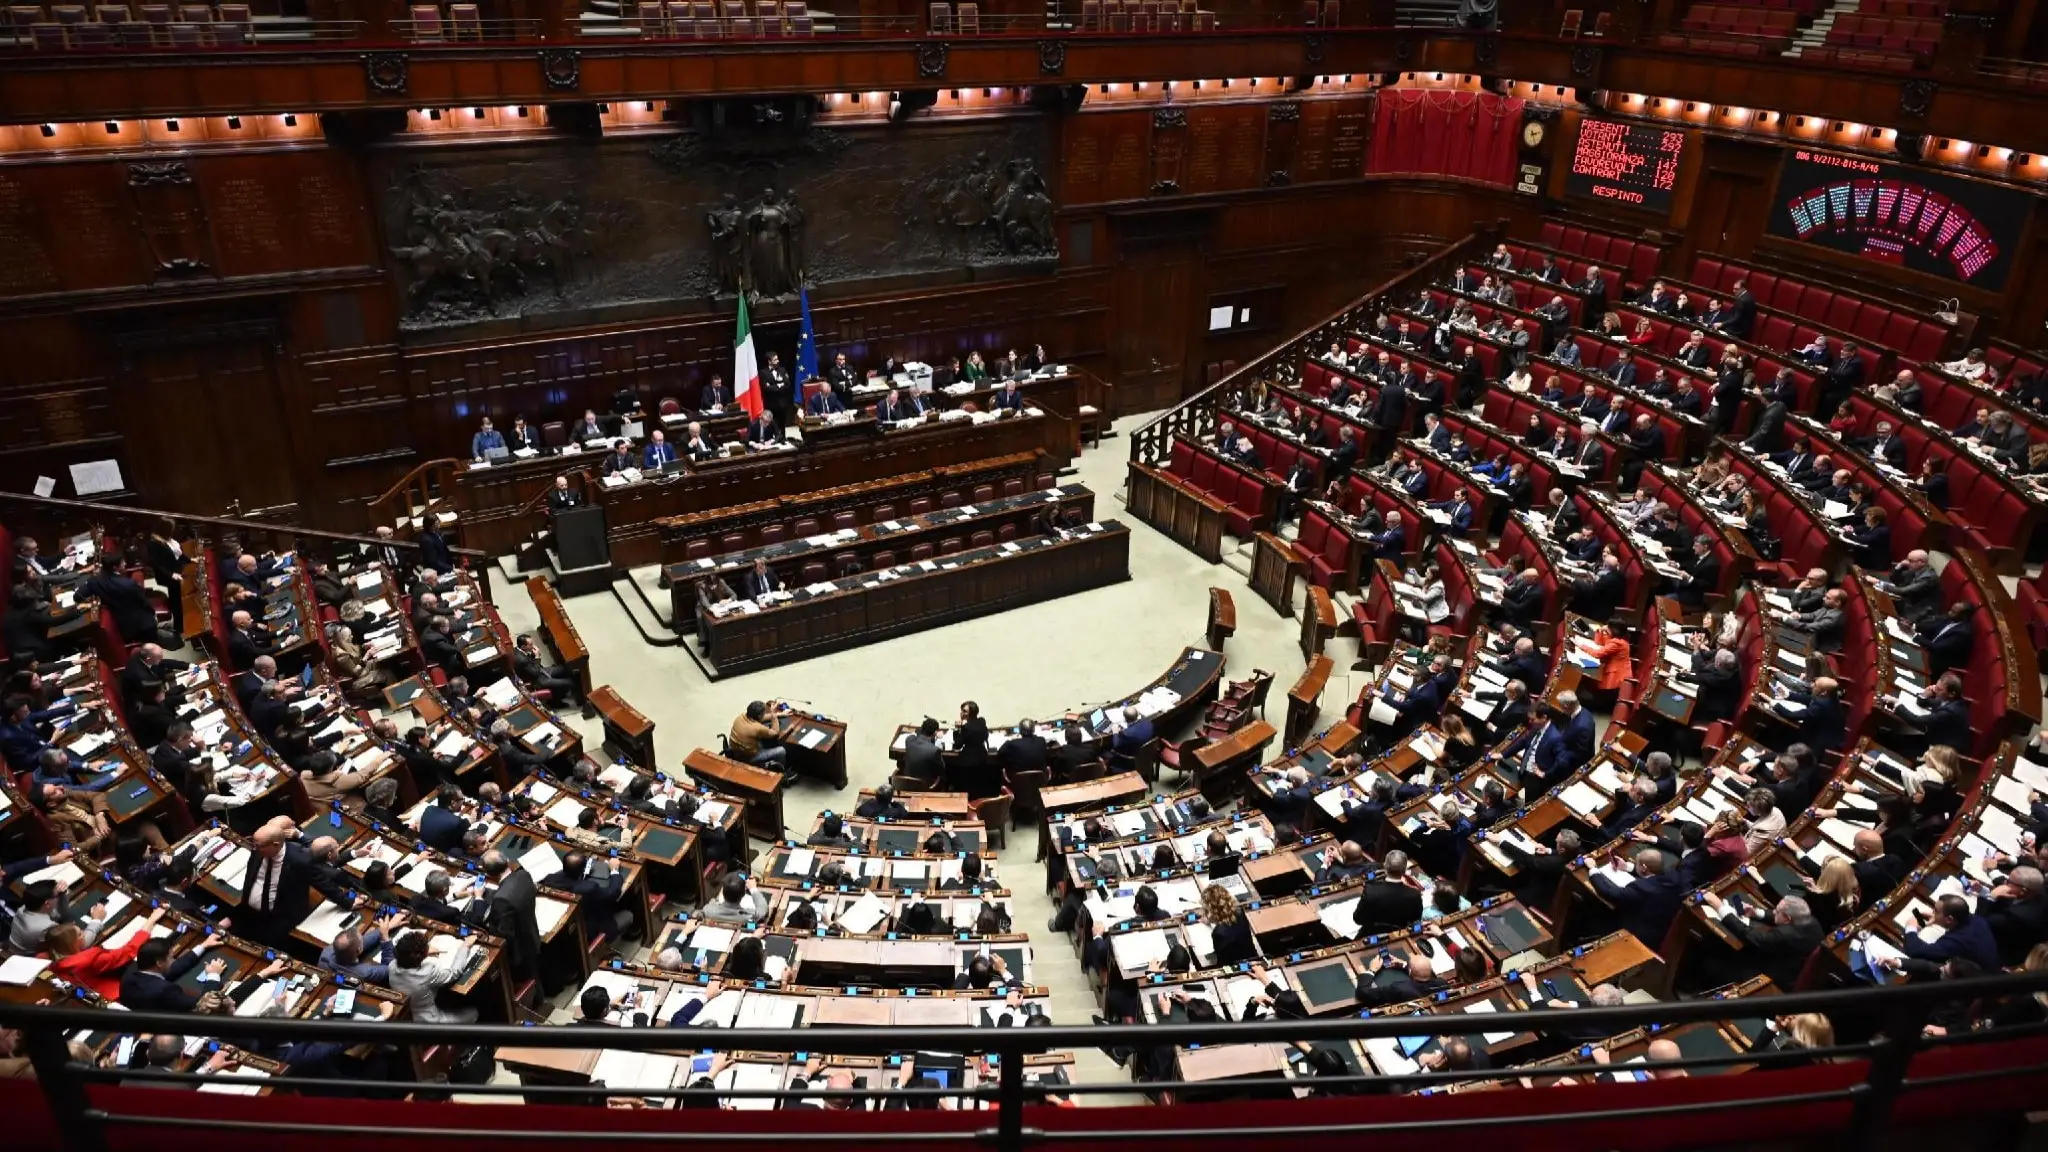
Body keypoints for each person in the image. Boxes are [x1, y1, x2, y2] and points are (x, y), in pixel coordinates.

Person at [120, 933, 228, 1011]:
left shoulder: (131, 972)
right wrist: (214, 974)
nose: (173, 960)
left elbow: (174, 968)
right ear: (159, 963)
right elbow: (200, 1006)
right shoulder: (165, 991)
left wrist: (203, 946)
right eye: (171, 958)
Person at [390, 928, 480, 1023]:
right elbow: (454, 973)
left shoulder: (392, 965)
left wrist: (423, 954)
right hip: (428, 1020)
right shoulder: (427, 972)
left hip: (407, 1011)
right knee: (473, 1013)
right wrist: (465, 946)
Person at [728, 700, 792, 771]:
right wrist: (773, 714)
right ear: (759, 716)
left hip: (736, 752)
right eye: (763, 713)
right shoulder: (757, 728)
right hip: (748, 758)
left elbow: (761, 718)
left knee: (765, 740)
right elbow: (775, 732)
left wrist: (780, 714)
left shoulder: (741, 717)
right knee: (781, 750)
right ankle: (781, 771)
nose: (765, 714)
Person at [701, 872, 770, 924]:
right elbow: (763, 910)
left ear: (723, 892)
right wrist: (753, 888)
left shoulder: (708, 910)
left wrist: (715, 900)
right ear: (743, 894)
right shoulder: (749, 918)